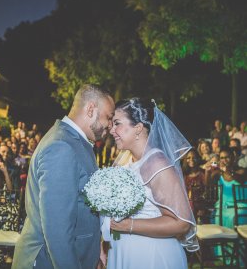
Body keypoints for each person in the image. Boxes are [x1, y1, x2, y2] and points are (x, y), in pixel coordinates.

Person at [12, 84, 115, 269]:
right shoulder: (61, 146)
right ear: (91, 109)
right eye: (108, 117)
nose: (110, 124)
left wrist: (93, 255)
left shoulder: (76, 141)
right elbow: (57, 229)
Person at [101, 98, 198, 269]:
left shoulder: (157, 164)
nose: (112, 130)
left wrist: (128, 225)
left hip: (151, 255)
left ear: (138, 128)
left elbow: (182, 223)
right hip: (123, 250)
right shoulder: (126, 161)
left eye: (117, 123)